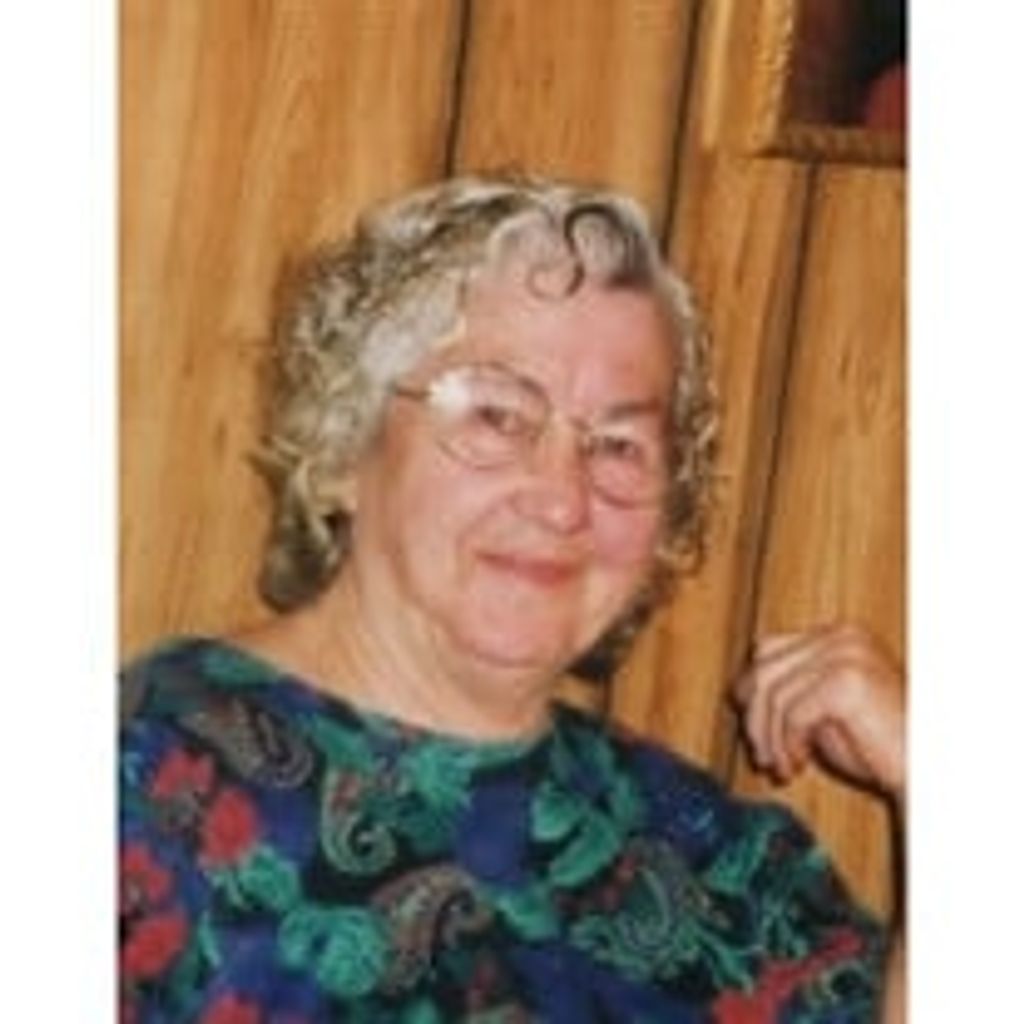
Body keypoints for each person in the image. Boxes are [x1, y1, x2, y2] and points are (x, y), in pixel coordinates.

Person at [120, 173, 905, 1022]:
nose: (562, 499)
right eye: (495, 416)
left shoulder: (707, 857)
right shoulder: (148, 779)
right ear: (346, 445)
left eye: (618, 445)